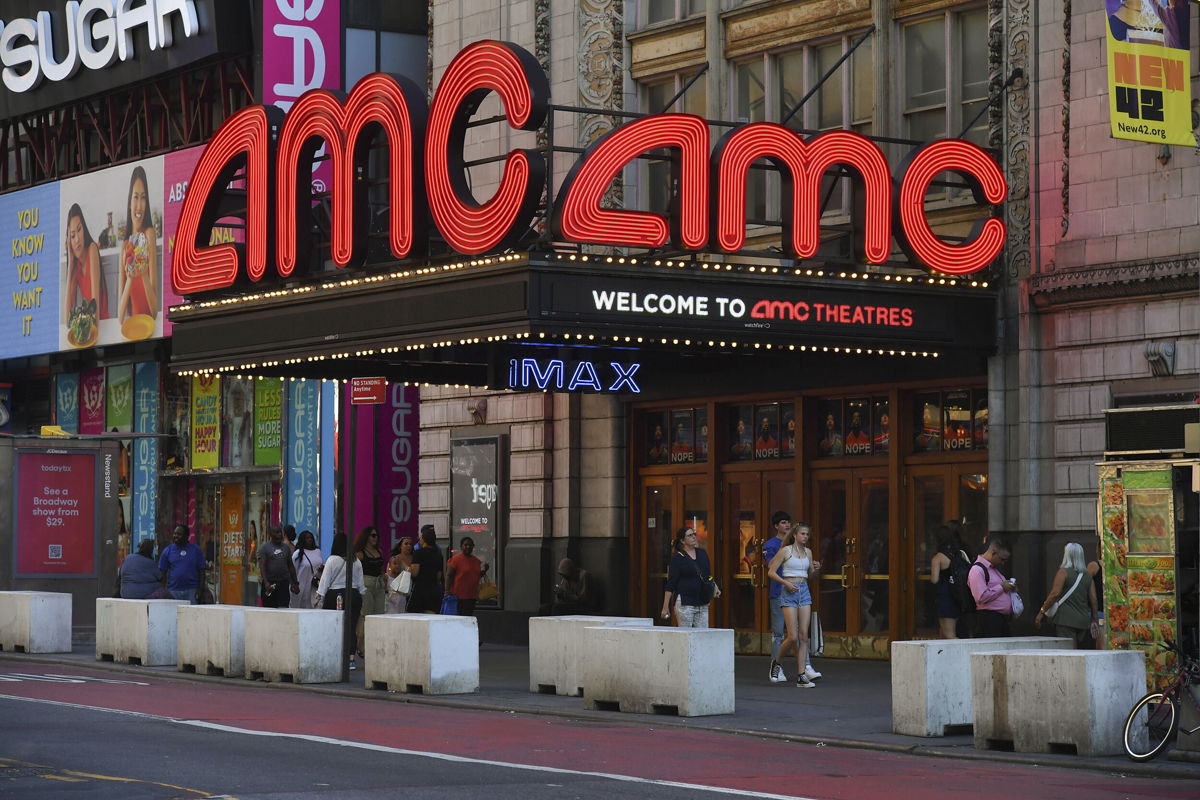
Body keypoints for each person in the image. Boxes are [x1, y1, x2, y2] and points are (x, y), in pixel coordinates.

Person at [764, 512, 821, 684]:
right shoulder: (785, 551)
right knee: (793, 636)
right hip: (788, 589)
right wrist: (786, 583)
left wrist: (816, 568)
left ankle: (801, 674)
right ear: (795, 534)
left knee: (804, 636)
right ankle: (777, 663)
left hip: (803, 590)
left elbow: (810, 575)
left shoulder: (808, 552)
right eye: (802, 534)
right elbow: (771, 572)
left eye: (807, 535)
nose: (805, 537)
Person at [315, 532, 365, 670]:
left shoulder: (332, 560)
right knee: (351, 626)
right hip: (354, 595)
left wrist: (319, 596)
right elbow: (361, 584)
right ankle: (351, 659)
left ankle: (334, 655)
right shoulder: (356, 561)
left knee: (333, 626)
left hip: (336, 595)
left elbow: (324, 581)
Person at [1035, 543, 1099, 648]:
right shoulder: (1088, 576)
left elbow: (1054, 594)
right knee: (1080, 649)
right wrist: (1094, 619)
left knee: (1069, 651)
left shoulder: (1063, 572)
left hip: (1065, 620)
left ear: (1067, 555)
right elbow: (1094, 600)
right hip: (1082, 621)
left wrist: (1042, 612)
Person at [117, 165, 158, 324]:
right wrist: (129, 278)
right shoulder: (125, 246)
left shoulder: (149, 234)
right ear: (129, 202)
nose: (139, 205)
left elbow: (154, 312)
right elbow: (120, 317)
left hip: (151, 328)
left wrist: (142, 274)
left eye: (143, 198)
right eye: (135, 197)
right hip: (133, 329)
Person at [661, 526, 719, 628]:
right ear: (683, 541)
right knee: (686, 636)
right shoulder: (677, 558)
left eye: (694, 534)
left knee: (702, 635)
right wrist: (665, 607)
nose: (693, 537)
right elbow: (671, 584)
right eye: (690, 535)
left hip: (702, 602)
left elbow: (707, 575)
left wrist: (715, 586)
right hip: (685, 603)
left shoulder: (702, 553)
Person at [62, 203, 108, 329]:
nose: (77, 239)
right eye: (72, 236)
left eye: (79, 229)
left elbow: (95, 308)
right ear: (69, 241)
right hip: (89, 328)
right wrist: (70, 262)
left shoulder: (92, 249)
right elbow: (67, 321)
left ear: (84, 229)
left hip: (102, 326)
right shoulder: (75, 265)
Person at [967, 538, 1017, 637]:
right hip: (989, 619)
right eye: (1002, 559)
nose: (1003, 563)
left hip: (1000, 619)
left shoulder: (993, 569)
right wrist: (1002, 587)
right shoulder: (977, 570)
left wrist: (1009, 588)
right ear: (993, 553)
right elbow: (981, 597)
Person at [930, 525, 969, 639]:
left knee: (949, 635)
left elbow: (934, 579)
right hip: (958, 596)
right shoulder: (959, 554)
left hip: (945, 597)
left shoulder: (938, 558)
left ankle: (963, 656)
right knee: (944, 634)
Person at [354, 526, 387, 653]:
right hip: (366, 584)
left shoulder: (379, 551)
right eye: (372, 535)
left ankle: (374, 643)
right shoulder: (360, 553)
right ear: (366, 537)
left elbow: (381, 568)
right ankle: (361, 645)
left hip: (378, 584)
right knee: (365, 614)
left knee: (378, 614)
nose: (375, 538)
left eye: (376, 535)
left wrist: (384, 579)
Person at [158, 524, 207, 603]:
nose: (176, 536)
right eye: (175, 533)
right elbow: (162, 573)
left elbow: (202, 571)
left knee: (192, 614)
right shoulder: (167, 550)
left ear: (187, 536)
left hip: (192, 590)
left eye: (179, 534)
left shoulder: (195, 550)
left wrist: (200, 590)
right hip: (173, 591)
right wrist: (163, 591)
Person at [257, 525, 299, 608]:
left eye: (280, 532)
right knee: (269, 610)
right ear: (270, 534)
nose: (279, 534)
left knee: (283, 608)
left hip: (283, 583)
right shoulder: (265, 548)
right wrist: (266, 583)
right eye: (277, 532)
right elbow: (262, 566)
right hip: (270, 584)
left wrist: (295, 582)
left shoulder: (286, 548)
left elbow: (290, 566)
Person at [446, 536, 488, 616]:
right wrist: (447, 591)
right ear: (461, 547)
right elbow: (449, 575)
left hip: (471, 596)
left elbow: (476, 576)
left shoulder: (476, 561)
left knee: (468, 617)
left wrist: (484, 571)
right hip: (458, 597)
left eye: (470, 545)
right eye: (466, 545)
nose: (468, 547)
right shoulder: (455, 560)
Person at [408, 525, 444, 613]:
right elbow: (439, 576)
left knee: (416, 619)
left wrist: (407, 567)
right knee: (430, 618)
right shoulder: (439, 555)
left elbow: (415, 573)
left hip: (420, 590)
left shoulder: (418, 553)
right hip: (434, 590)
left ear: (423, 539)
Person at [291, 530, 324, 610]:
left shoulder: (318, 551)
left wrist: (321, 568)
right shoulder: (298, 553)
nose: (309, 539)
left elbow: (321, 564)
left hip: (315, 586)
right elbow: (292, 570)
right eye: (307, 538)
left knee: (316, 608)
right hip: (301, 587)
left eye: (311, 537)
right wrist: (293, 584)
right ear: (302, 540)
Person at [386, 537, 417, 613]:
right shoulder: (395, 558)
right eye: (406, 544)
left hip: (411, 589)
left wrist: (403, 563)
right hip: (396, 589)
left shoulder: (415, 559)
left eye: (410, 544)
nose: (409, 546)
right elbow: (389, 571)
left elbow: (413, 573)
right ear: (400, 546)